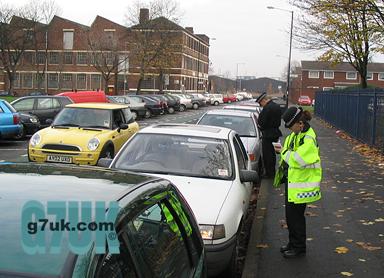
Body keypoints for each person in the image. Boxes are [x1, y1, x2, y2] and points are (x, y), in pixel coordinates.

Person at [273, 106, 322, 258]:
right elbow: (288, 150)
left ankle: (299, 247)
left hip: (303, 185)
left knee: (296, 218)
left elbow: (297, 160)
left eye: (290, 126)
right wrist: (283, 151)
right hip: (293, 182)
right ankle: (292, 243)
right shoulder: (296, 135)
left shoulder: (308, 139)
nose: (289, 129)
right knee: (290, 216)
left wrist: (283, 152)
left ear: (300, 123)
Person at [255, 92, 282, 178]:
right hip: (275, 133)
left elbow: (261, 122)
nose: (261, 105)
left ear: (263, 101)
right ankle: (272, 172)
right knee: (273, 154)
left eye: (260, 103)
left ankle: (269, 174)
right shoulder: (276, 106)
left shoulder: (267, 109)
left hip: (267, 134)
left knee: (267, 155)